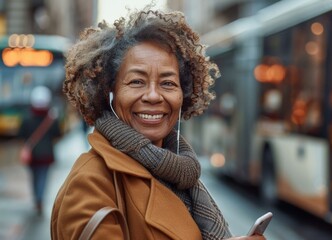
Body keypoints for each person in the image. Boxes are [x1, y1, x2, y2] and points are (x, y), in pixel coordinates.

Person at [51, 7, 266, 240]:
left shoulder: (179, 172)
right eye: (136, 81)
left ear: (183, 94)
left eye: (167, 83)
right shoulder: (90, 183)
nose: (153, 96)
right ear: (109, 92)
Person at [18, 85, 62, 216]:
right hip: (47, 154)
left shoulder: (26, 117)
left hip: (32, 155)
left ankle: (37, 198)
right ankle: (40, 199)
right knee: (43, 177)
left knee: (34, 177)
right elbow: (58, 134)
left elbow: (21, 135)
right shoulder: (51, 118)